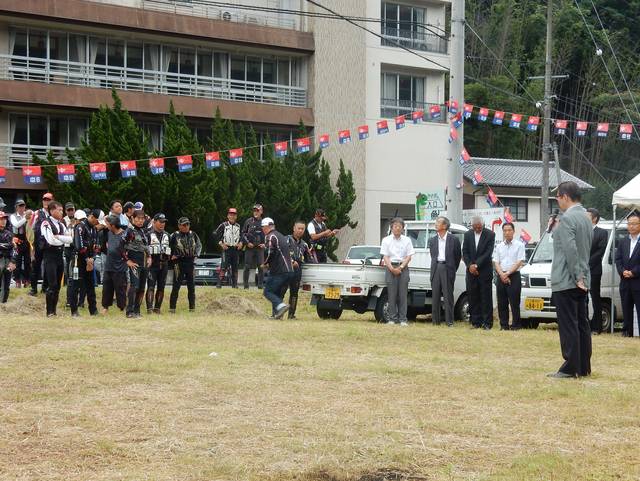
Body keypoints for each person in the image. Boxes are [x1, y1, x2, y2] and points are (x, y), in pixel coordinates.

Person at [549, 181, 593, 378]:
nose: (557, 200)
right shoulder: (586, 217)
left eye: (557, 197)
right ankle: (583, 365)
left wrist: (577, 277)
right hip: (583, 278)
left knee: (569, 325)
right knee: (581, 324)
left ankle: (570, 367)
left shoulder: (567, 219)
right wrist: (582, 277)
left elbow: (570, 250)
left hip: (568, 279)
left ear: (565, 196)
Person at [40, 201, 73, 317]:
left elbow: (70, 239)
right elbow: (50, 240)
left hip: (59, 256)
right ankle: (49, 312)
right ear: (52, 210)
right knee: (52, 284)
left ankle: (54, 310)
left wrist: (58, 237)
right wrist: (62, 239)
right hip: (50, 256)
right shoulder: (45, 222)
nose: (61, 212)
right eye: (59, 210)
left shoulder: (61, 224)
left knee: (58, 285)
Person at [463, 216, 496, 330]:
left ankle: (487, 323)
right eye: (475, 227)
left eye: (479, 227)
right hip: (471, 272)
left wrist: (476, 265)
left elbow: (488, 253)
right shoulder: (467, 235)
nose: (477, 229)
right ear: (472, 226)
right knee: (473, 297)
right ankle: (475, 322)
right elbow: (465, 251)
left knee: (486, 297)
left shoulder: (490, 234)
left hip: (484, 271)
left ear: (483, 225)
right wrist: (470, 266)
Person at [380, 217, 415, 325]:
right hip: (390, 267)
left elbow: (409, 256)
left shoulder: (407, 240)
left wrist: (400, 267)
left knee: (403, 295)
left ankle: (403, 319)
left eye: (400, 227)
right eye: (395, 226)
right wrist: (391, 268)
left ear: (403, 228)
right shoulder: (386, 240)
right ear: (391, 228)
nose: (397, 228)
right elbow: (385, 256)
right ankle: (392, 319)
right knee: (391, 294)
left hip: (403, 267)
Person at [428, 216, 461, 326]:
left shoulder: (454, 239)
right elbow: (433, 255)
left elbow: (457, 257)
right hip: (436, 267)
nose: (436, 224)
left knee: (448, 297)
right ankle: (435, 321)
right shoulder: (432, 240)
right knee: (435, 296)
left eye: (438, 222)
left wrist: (451, 269)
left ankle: (449, 322)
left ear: (445, 226)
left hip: (448, 268)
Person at [493, 222, 526, 331]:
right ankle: (504, 325)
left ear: (513, 231)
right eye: (505, 230)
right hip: (501, 275)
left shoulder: (519, 245)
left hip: (514, 276)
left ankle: (516, 325)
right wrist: (502, 274)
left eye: (509, 230)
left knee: (514, 302)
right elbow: (496, 262)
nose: (507, 233)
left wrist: (507, 274)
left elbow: (519, 262)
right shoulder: (499, 246)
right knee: (502, 302)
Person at [261, 217, 294, 319]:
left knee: (267, 292)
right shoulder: (280, 236)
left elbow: (270, 252)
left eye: (263, 227)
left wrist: (265, 263)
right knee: (276, 292)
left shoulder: (270, 236)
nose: (262, 229)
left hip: (279, 271)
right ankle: (277, 315)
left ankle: (281, 306)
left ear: (267, 227)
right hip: (289, 270)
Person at [69, 209, 99, 317]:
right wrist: (87, 259)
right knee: (75, 285)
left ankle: (93, 310)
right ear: (91, 216)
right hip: (78, 259)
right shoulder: (80, 226)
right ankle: (74, 310)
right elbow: (79, 245)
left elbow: (97, 246)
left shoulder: (94, 229)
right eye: (96, 220)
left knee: (90, 285)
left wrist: (93, 259)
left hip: (90, 260)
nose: (97, 223)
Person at [283, 220, 315, 319]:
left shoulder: (304, 244)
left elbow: (310, 259)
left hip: (297, 272)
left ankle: (291, 315)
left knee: (294, 293)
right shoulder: (286, 239)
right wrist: (291, 261)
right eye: (299, 228)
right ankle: (276, 313)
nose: (300, 231)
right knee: (281, 291)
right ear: (294, 228)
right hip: (285, 270)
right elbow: (281, 253)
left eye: (302, 229)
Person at [169, 217, 202, 313]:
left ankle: (192, 308)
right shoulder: (174, 235)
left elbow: (199, 245)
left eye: (187, 224)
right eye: (184, 225)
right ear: (179, 226)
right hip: (178, 263)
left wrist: (196, 255)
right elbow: (167, 246)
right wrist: (171, 255)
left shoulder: (193, 234)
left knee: (191, 286)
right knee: (176, 286)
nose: (186, 226)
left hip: (190, 262)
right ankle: (172, 308)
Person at [615, 211, 640, 338]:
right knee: (626, 307)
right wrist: (622, 271)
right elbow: (617, 259)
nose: (631, 226)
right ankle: (626, 331)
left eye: (635, 224)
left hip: (637, 281)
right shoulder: (623, 241)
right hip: (625, 281)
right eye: (629, 224)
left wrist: (634, 272)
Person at [124, 210, 150, 318]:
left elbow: (146, 247)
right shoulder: (129, 231)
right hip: (133, 262)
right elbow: (120, 247)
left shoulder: (144, 232)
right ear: (133, 219)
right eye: (138, 219)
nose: (140, 221)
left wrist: (149, 257)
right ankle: (129, 311)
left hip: (143, 262)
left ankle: (137, 311)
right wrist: (127, 261)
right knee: (134, 286)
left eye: (142, 219)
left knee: (141, 288)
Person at [101, 215, 128, 314]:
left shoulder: (124, 235)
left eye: (108, 224)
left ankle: (122, 308)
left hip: (120, 267)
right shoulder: (109, 233)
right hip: (109, 265)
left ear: (113, 225)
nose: (107, 226)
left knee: (120, 289)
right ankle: (105, 307)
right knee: (106, 288)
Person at [587, 208, 608, 334]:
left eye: (587, 216)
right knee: (582, 298)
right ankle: (585, 324)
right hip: (581, 270)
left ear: (594, 219)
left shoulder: (602, 233)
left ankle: (597, 326)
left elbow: (601, 251)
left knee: (595, 297)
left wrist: (587, 263)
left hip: (594, 269)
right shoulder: (581, 231)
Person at [29, 192, 54, 296]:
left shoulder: (54, 214)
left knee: (48, 267)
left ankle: (45, 288)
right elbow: (30, 229)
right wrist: (32, 247)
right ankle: (33, 289)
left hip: (50, 245)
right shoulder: (37, 213)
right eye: (44, 199)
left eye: (48, 200)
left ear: (52, 201)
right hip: (38, 244)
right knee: (36, 266)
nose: (46, 201)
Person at [146, 213, 171, 314]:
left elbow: (172, 249)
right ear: (154, 222)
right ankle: (149, 308)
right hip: (152, 265)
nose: (162, 224)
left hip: (164, 264)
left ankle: (157, 308)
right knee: (151, 286)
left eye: (164, 222)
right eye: (160, 222)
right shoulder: (148, 234)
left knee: (161, 287)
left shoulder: (168, 235)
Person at [214, 208, 242, 288]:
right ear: (228, 216)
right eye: (230, 214)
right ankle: (219, 284)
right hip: (226, 249)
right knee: (224, 267)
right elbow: (215, 234)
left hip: (235, 249)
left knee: (235, 267)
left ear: (236, 216)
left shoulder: (238, 226)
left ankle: (235, 285)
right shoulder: (223, 225)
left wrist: (241, 243)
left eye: (234, 215)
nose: (232, 216)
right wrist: (221, 243)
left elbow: (242, 236)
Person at [241, 204, 265, 289]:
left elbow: (269, 234)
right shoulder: (248, 221)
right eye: (254, 210)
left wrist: (264, 244)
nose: (255, 212)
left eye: (257, 210)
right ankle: (246, 286)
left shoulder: (264, 222)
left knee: (261, 267)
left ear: (261, 211)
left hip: (260, 248)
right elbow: (243, 234)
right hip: (249, 247)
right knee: (247, 266)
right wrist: (247, 243)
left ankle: (260, 285)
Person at [9, 199, 31, 288]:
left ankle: (27, 280)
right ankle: (17, 280)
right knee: (17, 262)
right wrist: (26, 218)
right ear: (16, 207)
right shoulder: (12, 216)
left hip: (27, 239)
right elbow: (16, 225)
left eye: (23, 206)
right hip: (17, 240)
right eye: (20, 206)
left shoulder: (28, 214)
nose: (22, 208)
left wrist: (29, 215)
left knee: (27, 262)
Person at [0, 211, 17, 303]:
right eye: (1, 219)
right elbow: (9, 246)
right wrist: (6, 245)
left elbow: (14, 248)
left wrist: (13, 261)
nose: (3, 221)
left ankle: (4, 304)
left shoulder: (9, 233)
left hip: (8, 260)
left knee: (6, 285)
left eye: (4, 219)